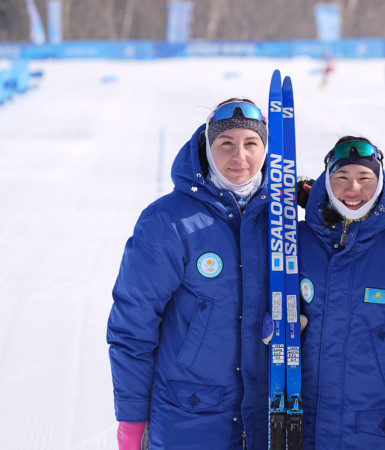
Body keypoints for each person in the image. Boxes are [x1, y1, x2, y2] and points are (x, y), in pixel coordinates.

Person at [107, 98, 272, 449]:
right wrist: (132, 419)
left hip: (264, 419)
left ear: (266, 149)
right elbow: (132, 328)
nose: (239, 156)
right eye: (226, 144)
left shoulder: (281, 221)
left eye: (250, 144)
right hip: (187, 417)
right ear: (208, 148)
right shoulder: (168, 220)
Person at [298, 136, 385, 448]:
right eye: (341, 177)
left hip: (378, 426)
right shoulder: (297, 241)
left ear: (380, 181)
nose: (353, 189)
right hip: (304, 420)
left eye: (364, 178)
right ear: (327, 183)